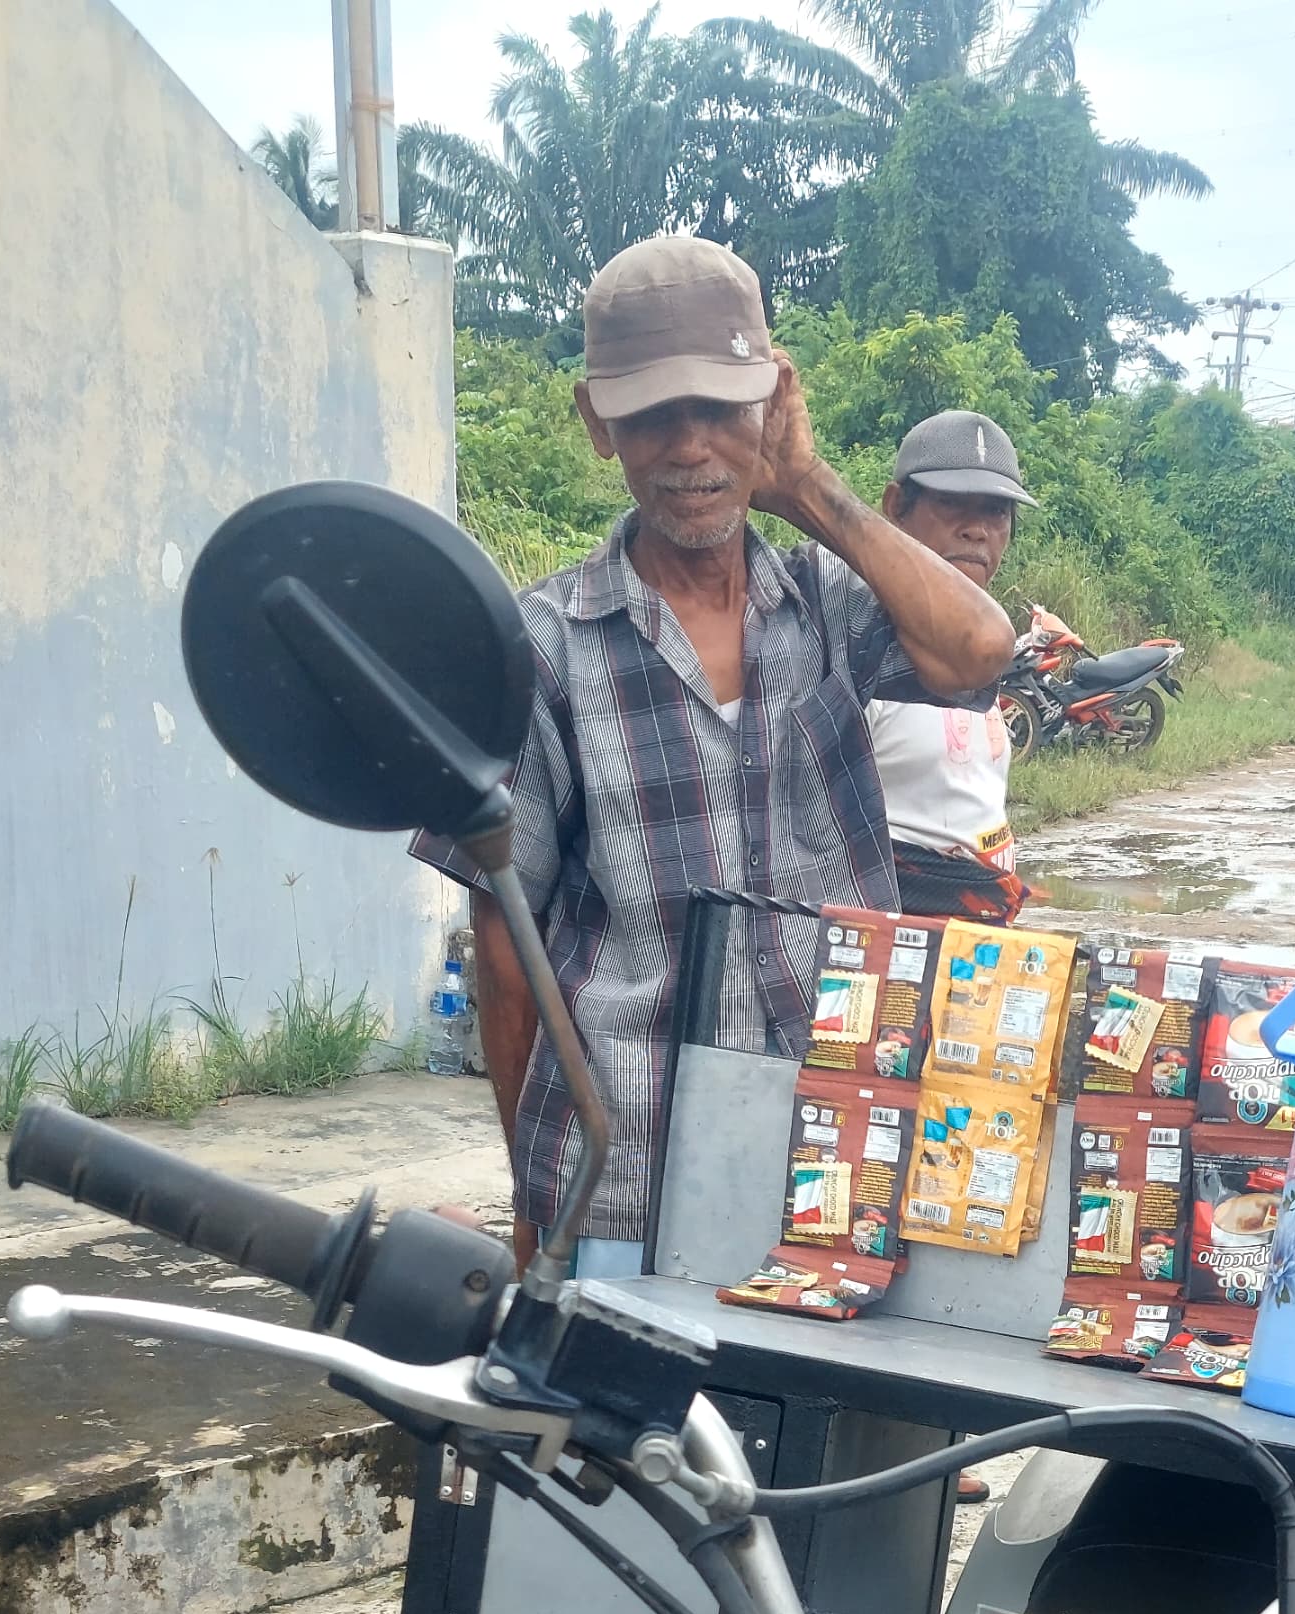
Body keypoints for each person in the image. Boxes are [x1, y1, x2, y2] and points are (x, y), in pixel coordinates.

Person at [428, 236, 1012, 1268]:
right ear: (597, 424)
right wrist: (532, 1196)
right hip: (625, 1177)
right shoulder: (537, 647)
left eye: (720, 409)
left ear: (771, 399)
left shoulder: (827, 605)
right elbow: (507, 946)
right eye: (652, 415)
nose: (690, 447)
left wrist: (804, 486)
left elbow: (978, 651)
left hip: (831, 1158)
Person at [866, 407, 1069, 926]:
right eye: (952, 503)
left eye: (996, 512)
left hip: (976, 936)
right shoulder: (862, 645)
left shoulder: (980, 646)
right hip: (899, 939)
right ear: (896, 507)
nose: (977, 531)